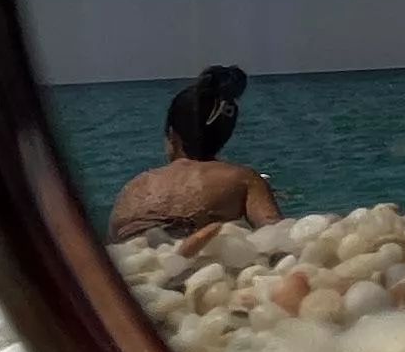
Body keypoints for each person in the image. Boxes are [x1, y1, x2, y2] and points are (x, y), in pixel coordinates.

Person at [109, 66, 282, 236]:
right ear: (226, 135)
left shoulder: (132, 188)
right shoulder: (242, 179)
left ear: (172, 134)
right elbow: (277, 236)